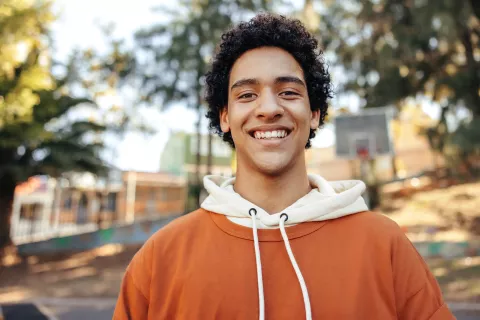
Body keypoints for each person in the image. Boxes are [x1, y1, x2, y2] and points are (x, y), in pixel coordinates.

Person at [113, 13, 455, 320]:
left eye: (289, 92)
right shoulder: (161, 257)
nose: (268, 108)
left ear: (315, 113)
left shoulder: (385, 245)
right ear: (225, 117)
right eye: (246, 95)